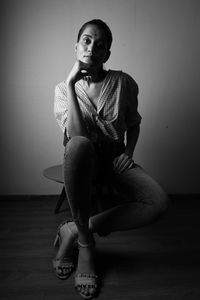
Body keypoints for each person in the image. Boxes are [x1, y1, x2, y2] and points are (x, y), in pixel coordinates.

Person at [53, 19, 169, 299]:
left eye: (100, 45)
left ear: (107, 54)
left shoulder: (123, 82)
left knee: (158, 202)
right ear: (77, 46)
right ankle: (86, 247)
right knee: (79, 145)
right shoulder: (61, 90)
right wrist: (71, 83)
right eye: (87, 40)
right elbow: (78, 136)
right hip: (82, 162)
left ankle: (76, 229)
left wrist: (128, 154)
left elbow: (133, 123)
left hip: (114, 157)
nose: (92, 48)